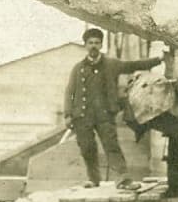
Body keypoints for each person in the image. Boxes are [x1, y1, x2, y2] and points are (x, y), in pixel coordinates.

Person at [64, 27, 164, 190]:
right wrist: (68, 114)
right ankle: (93, 179)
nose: (94, 46)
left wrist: (158, 60)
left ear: (101, 44)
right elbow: (70, 91)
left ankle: (123, 180)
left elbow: (133, 65)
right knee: (87, 148)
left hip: (104, 115)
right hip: (82, 115)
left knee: (112, 147)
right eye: (90, 43)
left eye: (97, 42)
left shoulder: (111, 64)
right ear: (85, 45)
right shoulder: (78, 68)